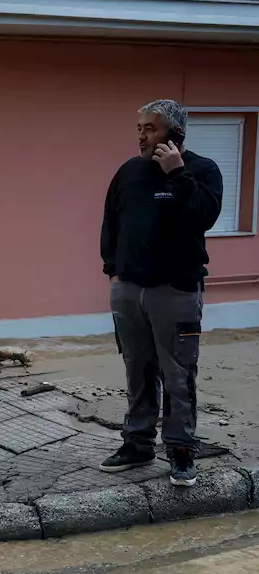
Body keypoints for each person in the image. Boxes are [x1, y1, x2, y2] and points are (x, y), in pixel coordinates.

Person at [99, 99, 223, 487]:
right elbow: (111, 221)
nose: (141, 135)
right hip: (129, 289)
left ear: (176, 134)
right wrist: (112, 270)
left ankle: (181, 452)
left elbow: (203, 216)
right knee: (137, 368)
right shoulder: (129, 172)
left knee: (178, 374)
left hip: (176, 290)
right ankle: (137, 443)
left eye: (150, 128)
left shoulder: (202, 171)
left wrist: (177, 174)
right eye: (139, 128)